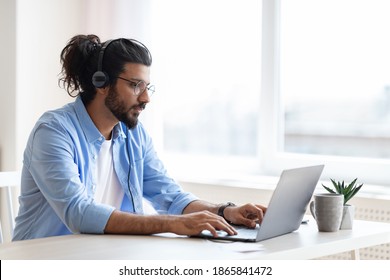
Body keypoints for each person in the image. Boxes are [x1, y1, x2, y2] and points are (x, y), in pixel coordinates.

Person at [12, 34, 266, 241]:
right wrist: (176, 224)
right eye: (135, 85)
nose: (146, 98)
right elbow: (78, 213)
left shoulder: (134, 134)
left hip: (106, 258)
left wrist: (224, 211)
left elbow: (170, 196)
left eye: (147, 87)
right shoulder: (54, 131)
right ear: (101, 83)